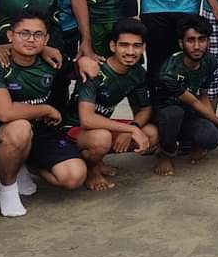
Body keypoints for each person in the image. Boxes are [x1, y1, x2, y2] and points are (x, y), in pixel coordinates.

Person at [0, 11, 90, 217]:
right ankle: (7, 189)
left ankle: (25, 165)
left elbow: (77, 70)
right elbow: (5, 113)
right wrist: (46, 109)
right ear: (10, 36)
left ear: (46, 39)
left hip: (43, 133)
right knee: (20, 127)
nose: (31, 39)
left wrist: (86, 62)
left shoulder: (51, 59)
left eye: (38, 35)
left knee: (74, 177)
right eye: (24, 33)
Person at [61, 17, 158, 191]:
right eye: (124, 45)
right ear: (113, 46)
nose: (130, 51)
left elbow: (145, 108)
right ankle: (92, 170)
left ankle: (98, 159)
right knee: (101, 138)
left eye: (136, 46)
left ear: (143, 48)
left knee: (151, 133)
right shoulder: (95, 70)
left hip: (101, 128)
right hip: (73, 128)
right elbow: (87, 120)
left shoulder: (138, 73)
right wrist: (130, 129)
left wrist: (133, 127)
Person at [151, 16, 218, 176]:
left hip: (188, 114)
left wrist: (215, 128)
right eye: (190, 40)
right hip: (164, 117)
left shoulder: (210, 61)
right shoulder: (169, 71)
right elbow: (194, 102)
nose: (196, 46)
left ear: (208, 42)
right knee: (173, 113)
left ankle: (193, 144)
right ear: (181, 43)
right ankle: (165, 153)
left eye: (202, 40)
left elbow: (203, 96)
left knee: (210, 138)